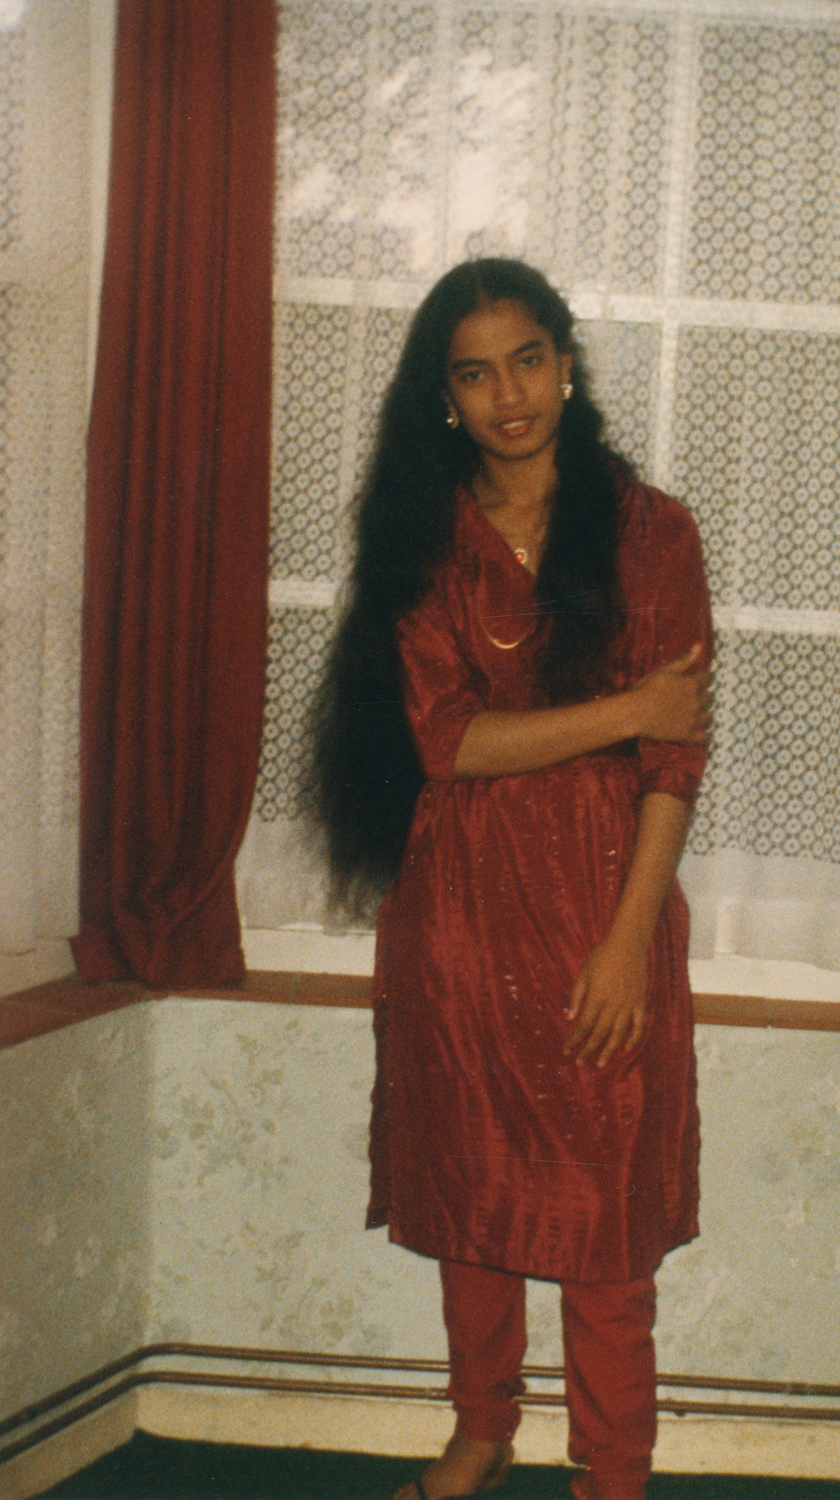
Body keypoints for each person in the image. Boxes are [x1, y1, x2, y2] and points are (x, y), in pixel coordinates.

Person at [307, 258, 712, 1500]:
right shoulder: (422, 542)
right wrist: (628, 707)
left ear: (567, 364)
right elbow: (448, 744)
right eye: (475, 374)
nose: (509, 395)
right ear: (446, 396)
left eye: (527, 360)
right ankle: (482, 1430)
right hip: (464, 913)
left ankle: (615, 1474)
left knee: (606, 1223)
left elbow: (674, 761)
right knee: (471, 1189)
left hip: (604, 906)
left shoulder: (652, 531)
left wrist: (629, 944)